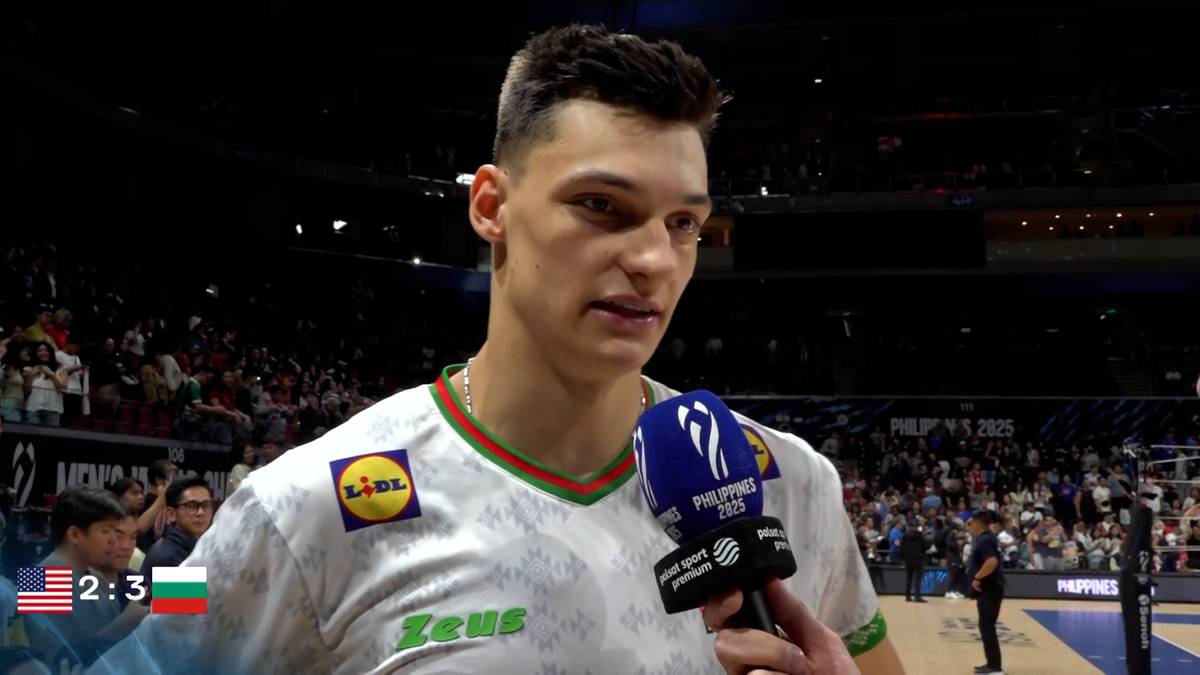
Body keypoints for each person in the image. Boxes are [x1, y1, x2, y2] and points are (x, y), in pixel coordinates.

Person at [98, 24, 899, 674]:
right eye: (601, 204)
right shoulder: (302, 507)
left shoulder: (791, 484)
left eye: (683, 222)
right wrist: (48, 592)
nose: (655, 258)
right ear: (491, 206)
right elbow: (135, 618)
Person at [22, 488, 144, 667]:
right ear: (74, 535)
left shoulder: (96, 576)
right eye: (107, 531)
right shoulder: (39, 580)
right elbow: (60, 663)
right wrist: (124, 623)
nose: (115, 541)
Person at [140, 477, 214, 579]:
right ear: (171, 514)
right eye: (191, 506)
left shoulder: (198, 546)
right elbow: (183, 592)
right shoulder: (167, 557)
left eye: (206, 505)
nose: (200, 512)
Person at [967, 510, 1004, 674]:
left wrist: (977, 577)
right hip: (990, 589)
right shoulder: (987, 538)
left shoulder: (984, 540)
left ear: (977, 523)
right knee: (986, 626)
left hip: (990, 589)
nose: (970, 526)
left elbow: (992, 561)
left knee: (987, 626)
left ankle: (995, 667)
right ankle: (991, 663)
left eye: (971, 523)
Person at [23, 342, 67, 426]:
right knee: (32, 433)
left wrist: (51, 374)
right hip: (33, 408)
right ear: (35, 353)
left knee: (51, 434)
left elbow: (63, 389)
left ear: (50, 352)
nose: (43, 353)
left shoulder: (61, 368)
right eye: (39, 351)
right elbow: (26, 392)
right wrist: (31, 375)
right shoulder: (28, 369)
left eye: (46, 350)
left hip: (53, 409)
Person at [901, 519, 930, 602]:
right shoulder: (920, 536)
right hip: (919, 560)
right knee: (918, 579)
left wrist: (903, 559)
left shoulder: (905, 536)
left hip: (908, 560)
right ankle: (917, 596)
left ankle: (907, 596)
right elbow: (927, 546)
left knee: (908, 578)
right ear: (917, 527)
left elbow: (901, 548)